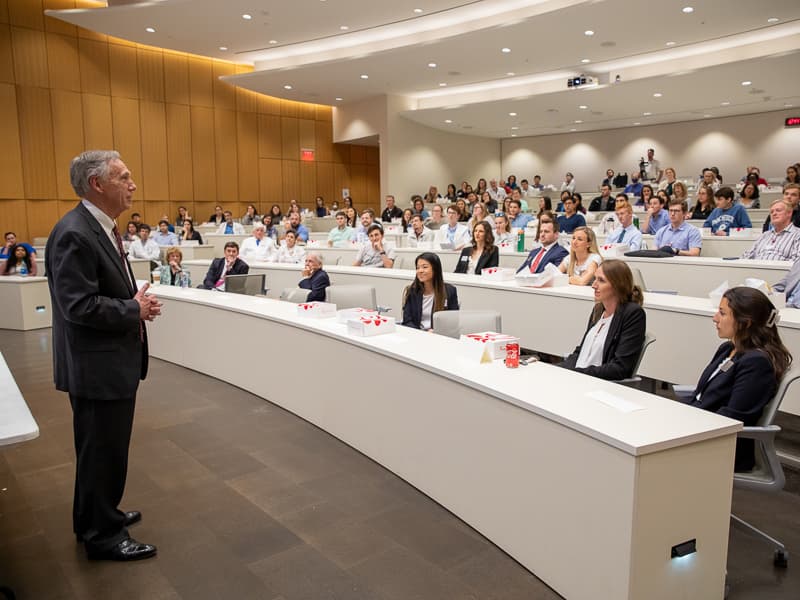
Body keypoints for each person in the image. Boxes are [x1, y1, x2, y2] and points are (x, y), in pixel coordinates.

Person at [45, 150, 161, 561]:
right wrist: (134, 310)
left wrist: (132, 302)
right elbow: (77, 306)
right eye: (124, 177)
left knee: (101, 450)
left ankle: (96, 515)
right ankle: (102, 536)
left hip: (104, 361)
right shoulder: (75, 233)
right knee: (102, 451)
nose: (132, 184)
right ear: (97, 184)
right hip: (96, 366)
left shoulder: (99, 228)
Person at [685, 287, 791, 471]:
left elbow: (732, 417)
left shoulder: (757, 363)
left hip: (721, 446)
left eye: (722, 313)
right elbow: (705, 395)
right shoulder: (727, 349)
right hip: (700, 430)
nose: (714, 318)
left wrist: (684, 425)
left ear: (745, 323)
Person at [558, 260, 646, 380]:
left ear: (618, 285)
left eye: (601, 280)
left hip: (599, 383)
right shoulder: (598, 310)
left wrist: (578, 373)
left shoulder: (632, 314)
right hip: (580, 377)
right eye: (595, 279)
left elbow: (620, 368)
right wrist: (559, 370)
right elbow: (580, 351)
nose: (594, 285)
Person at [401, 252, 459, 330]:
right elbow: (407, 321)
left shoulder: (449, 291)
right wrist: (421, 333)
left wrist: (437, 331)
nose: (420, 271)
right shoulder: (412, 291)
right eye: (418, 268)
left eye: (424, 267)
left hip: (439, 336)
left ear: (435, 269)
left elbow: (453, 321)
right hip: (417, 334)